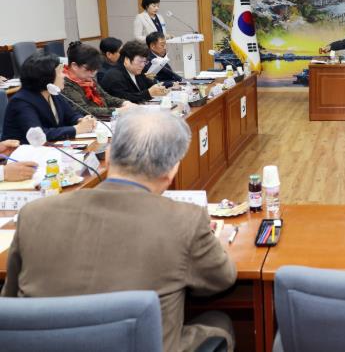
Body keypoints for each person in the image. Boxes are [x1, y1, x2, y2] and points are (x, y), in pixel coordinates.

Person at [2, 108, 237, 351]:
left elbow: (10, 300)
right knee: (219, 322)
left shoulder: (34, 214)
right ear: (172, 170)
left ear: (109, 154)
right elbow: (222, 279)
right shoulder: (185, 220)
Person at [1, 54, 96, 144]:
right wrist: (77, 129)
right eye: (60, 72)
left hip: (50, 147)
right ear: (46, 77)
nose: (64, 75)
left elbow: (71, 115)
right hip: (20, 151)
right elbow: (40, 135)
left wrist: (81, 120)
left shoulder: (52, 92)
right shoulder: (21, 101)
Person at [63, 42, 133, 118]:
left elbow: (105, 97)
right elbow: (84, 110)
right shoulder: (65, 84)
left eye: (95, 69)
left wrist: (124, 103)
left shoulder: (87, 78)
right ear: (74, 66)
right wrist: (116, 111)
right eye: (89, 69)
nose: (93, 74)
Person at [101, 41, 169, 104]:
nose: (142, 65)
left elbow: (150, 86)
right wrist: (148, 93)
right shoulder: (114, 76)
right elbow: (123, 100)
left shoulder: (138, 71)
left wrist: (159, 89)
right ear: (127, 60)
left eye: (145, 61)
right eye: (140, 61)